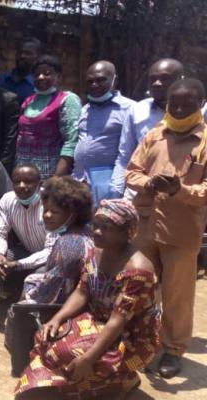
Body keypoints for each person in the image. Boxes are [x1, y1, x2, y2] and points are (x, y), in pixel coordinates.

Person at [15, 200, 159, 400]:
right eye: (96, 225)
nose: (97, 232)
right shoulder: (95, 252)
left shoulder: (138, 271)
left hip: (131, 334)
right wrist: (56, 319)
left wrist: (88, 359)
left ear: (127, 232)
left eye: (106, 228)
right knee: (45, 336)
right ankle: (78, 384)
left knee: (73, 354)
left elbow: (119, 320)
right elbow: (82, 292)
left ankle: (118, 383)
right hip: (97, 319)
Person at [126, 78, 207, 378]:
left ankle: (173, 351)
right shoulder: (154, 135)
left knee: (177, 296)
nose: (181, 108)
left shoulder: (205, 143)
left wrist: (180, 190)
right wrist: (148, 182)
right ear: (167, 104)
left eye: (188, 103)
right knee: (139, 288)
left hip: (182, 233)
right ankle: (138, 342)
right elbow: (132, 171)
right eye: (175, 103)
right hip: (145, 228)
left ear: (200, 104)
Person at [111, 58, 185, 198]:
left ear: (181, 80)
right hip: (139, 195)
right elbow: (125, 155)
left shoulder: (199, 112)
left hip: (180, 198)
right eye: (153, 79)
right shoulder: (137, 110)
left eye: (165, 78)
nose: (157, 83)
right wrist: (116, 192)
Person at [21, 176, 94, 304]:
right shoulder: (86, 232)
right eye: (45, 209)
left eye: (54, 211)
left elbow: (52, 293)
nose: (47, 216)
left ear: (73, 214)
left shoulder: (67, 244)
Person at [0, 164, 57, 299]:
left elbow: (50, 252)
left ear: (39, 184)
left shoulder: (50, 204)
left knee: (41, 271)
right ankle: (6, 295)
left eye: (28, 181)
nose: (21, 185)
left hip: (51, 258)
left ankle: (27, 310)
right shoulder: (7, 200)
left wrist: (17, 265)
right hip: (27, 252)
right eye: (17, 182)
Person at [72, 61, 136, 203]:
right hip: (79, 181)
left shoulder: (130, 109)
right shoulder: (85, 109)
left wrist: (117, 187)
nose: (94, 85)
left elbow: (131, 151)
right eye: (90, 81)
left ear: (114, 80)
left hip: (110, 184)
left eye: (100, 80)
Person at [14, 55, 82, 180]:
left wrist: (56, 178)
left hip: (49, 174)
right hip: (23, 173)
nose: (41, 77)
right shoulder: (28, 101)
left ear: (59, 77)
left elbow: (71, 142)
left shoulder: (67, 100)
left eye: (47, 73)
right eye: (37, 74)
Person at [0, 37, 42, 105]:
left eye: (28, 53)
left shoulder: (38, 87)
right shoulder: (1, 79)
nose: (22, 56)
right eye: (20, 52)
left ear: (37, 57)